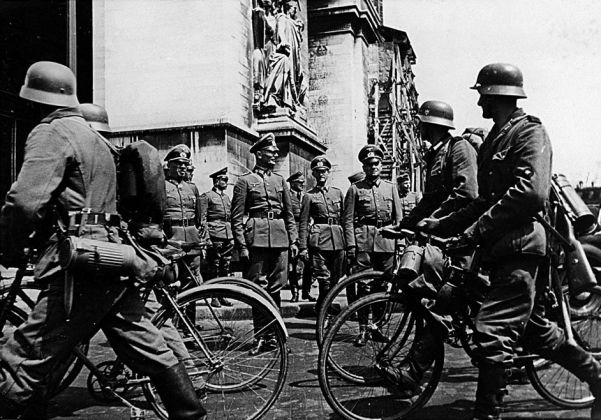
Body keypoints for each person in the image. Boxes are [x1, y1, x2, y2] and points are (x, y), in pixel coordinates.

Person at [0, 61, 205, 419]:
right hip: (111, 255)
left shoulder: (52, 132)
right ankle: (190, 413)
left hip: (81, 263)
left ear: (35, 99)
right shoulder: (96, 139)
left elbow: (25, 202)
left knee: (26, 351)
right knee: (144, 342)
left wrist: (10, 244)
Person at [420, 63, 601, 419]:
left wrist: (475, 231)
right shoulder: (496, 137)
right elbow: (483, 202)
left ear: (494, 95)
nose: (479, 104)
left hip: (521, 248)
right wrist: (444, 226)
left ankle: (487, 413)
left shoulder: (529, 132)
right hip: (500, 250)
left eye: (482, 96)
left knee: (491, 331)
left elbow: (530, 195)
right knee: (536, 334)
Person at [377, 100, 479, 394]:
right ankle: (416, 368)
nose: (417, 126)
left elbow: (467, 194)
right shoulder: (436, 155)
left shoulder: (458, 149)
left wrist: (434, 222)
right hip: (446, 239)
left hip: (464, 240)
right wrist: (405, 225)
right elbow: (429, 201)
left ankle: (416, 370)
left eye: (420, 122)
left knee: (444, 299)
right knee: (431, 298)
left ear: (430, 124)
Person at [231, 133, 298, 355]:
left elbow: (289, 214)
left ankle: (275, 336)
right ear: (259, 154)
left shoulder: (280, 181)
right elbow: (236, 216)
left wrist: (294, 240)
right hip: (256, 238)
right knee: (257, 289)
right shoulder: (244, 181)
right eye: (271, 152)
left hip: (280, 238)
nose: (275, 155)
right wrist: (241, 246)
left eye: (276, 152)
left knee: (277, 287)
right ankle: (261, 336)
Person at [342, 145, 403, 346]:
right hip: (363, 242)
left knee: (383, 286)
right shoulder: (355, 189)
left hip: (387, 242)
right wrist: (351, 245)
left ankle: (376, 327)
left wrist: (400, 243)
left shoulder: (391, 187)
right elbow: (348, 220)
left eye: (376, 163)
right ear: (364, 166)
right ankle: (362, 330)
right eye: (369, 164)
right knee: (364, 287)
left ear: (381, 165)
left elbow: (399, 218)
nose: (373, 167)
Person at [298, 156, 345, 315]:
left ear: (328, 172)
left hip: (338, 240)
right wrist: (303, 247)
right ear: (314, 174)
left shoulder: (338, 193)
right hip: (318, 241)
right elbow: (303, 222)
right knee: (323, 279)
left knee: (335, 279)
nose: (321, 174)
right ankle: (324, 310)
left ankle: (321, 305)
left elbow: (345, 219)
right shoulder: (309, 196)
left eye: (324, 171)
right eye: (318, 172)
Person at [163, 144, 204, 284]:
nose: (182, 167)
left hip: (192, 240)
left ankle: (191, 306)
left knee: (192, 280)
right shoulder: (162, 186)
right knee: (171, 279)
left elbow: (198, 217)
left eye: (185, 164)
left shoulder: (192, 188)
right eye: (178, 163)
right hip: (172, 240)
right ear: (169, 165)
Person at [199, 167, 234, 308]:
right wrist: (206, 238)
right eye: (224, 179)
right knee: (214, 267)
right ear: (216, 181)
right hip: (214, 235)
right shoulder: (207, 196)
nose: (226, 182)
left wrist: (232, 236)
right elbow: (203, 219)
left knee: (225, 267)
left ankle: (222, 295)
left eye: (226, 179)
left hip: (227, 235)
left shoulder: (226, 198)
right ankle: (213, 296)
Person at [287, 171, 313, 302]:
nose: (302, 184)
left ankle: (306, 292)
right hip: (292, 231)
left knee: (309, 264)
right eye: (299, 182)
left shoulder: (306, 196)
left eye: (303, 182)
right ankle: (295, 292)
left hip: (306, 232)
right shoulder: (287, 196)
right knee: (292, 264)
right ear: (292, 183)